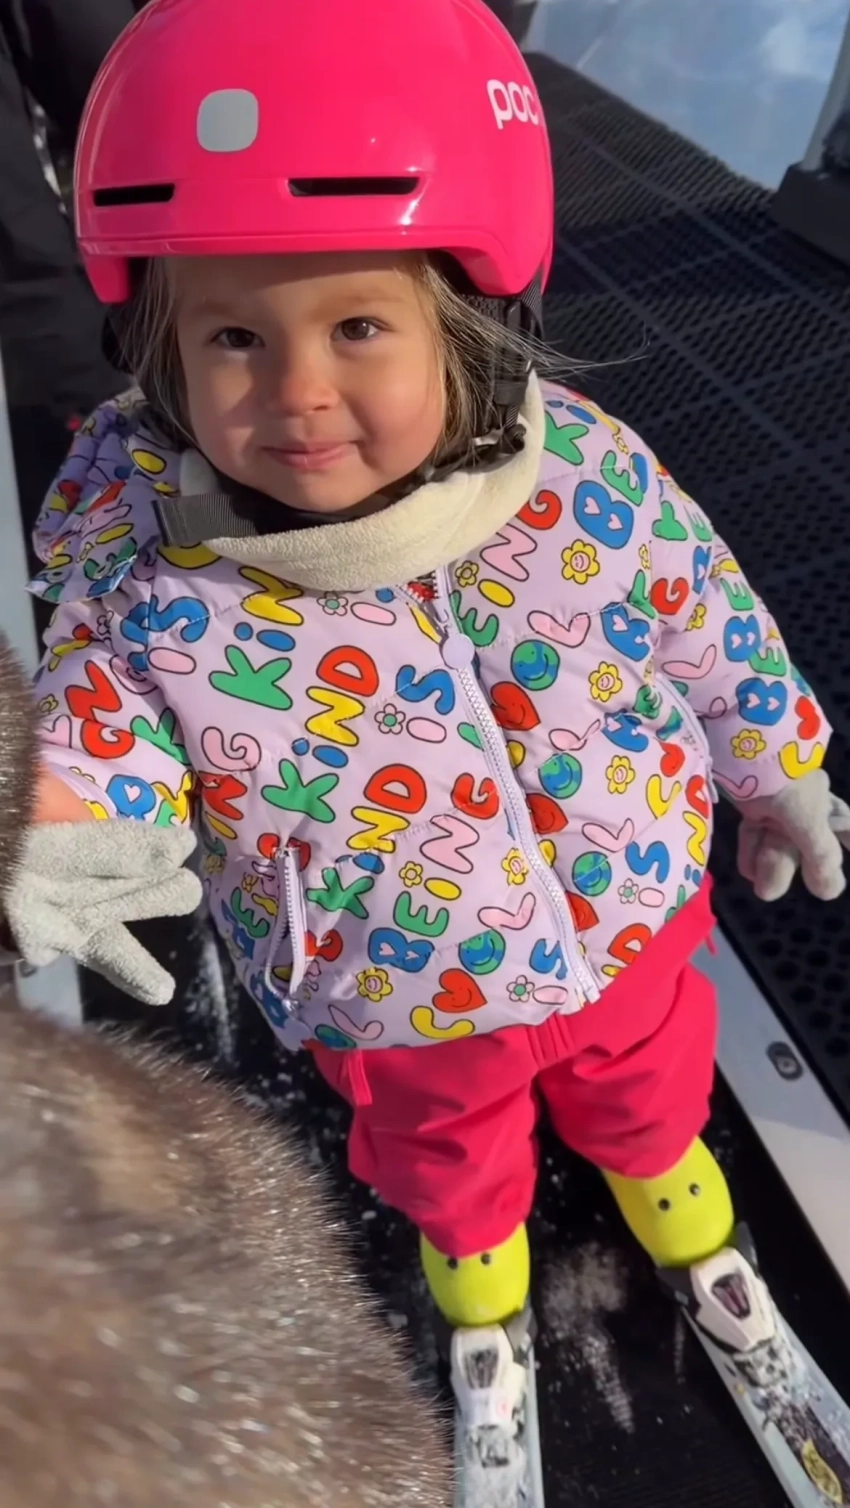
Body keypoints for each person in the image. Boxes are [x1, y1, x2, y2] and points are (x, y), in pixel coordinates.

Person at [21, 0, 850, 1356]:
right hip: (396, 992)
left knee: (651, 1082)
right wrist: (48, 833)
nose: (296, 390)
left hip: (627, 921)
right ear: (161, 353)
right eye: (232, 340)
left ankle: (669, 1187)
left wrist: (777, 768)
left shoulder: (580, 480)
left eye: (357, 325)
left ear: (471, 320)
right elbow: (95, 731)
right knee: (442, 1153)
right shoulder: (156, 579)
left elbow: (707, 621)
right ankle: (476, 1276)